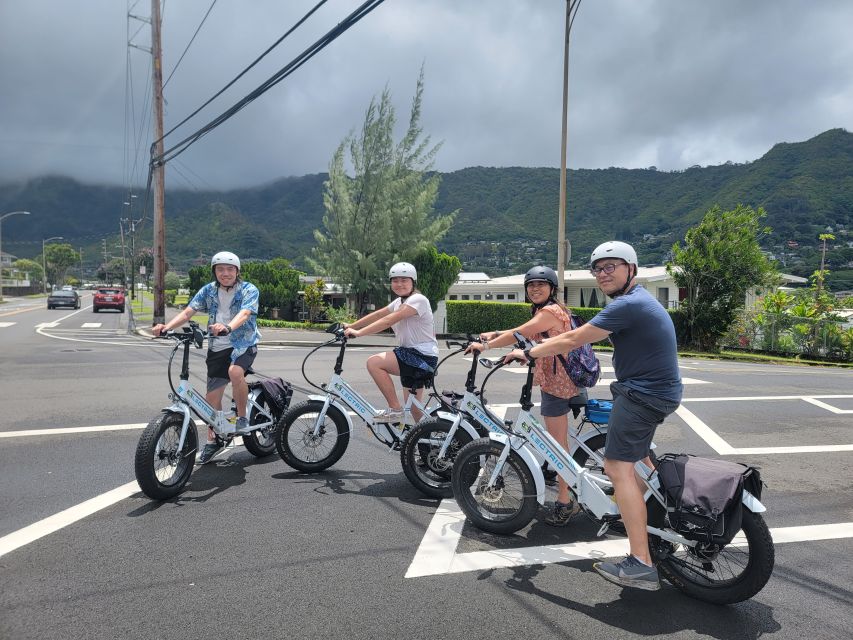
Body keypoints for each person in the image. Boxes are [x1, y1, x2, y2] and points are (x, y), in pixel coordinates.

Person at [506, 241, 682, 591]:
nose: (603, 274)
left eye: (611, 267)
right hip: (653, 392)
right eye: (597, 269)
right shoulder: (636, 301)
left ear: (631, 268)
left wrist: (529, 352)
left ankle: (641, 564)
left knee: (618, 467)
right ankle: (658, 515)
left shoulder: (629, 305)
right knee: (641, 460)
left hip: (643, 394)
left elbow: (572, 338)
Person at [466, 265, 583, 526]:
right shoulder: (546, 311)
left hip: (558, 385)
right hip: (558, 382)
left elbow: (521, 333)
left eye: (541, 284)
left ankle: (565, 501)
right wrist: (496, 336)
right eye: (531, 285)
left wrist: (485, 345)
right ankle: (561, 486)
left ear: (552, 289)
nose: (535, 288)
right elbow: (526, 333)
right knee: (557, 441)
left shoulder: (551, 311)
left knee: (557, 447)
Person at [152, 251, 261, 464]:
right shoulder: (208, 291)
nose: (225, 273)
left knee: (235, 371)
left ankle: (241, 417)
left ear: (237, 271)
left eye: (230, 269)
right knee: (211, 401)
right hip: (217, 346)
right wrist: (167, 327)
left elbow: (246, 313)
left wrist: (228, 327)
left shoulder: (249, 289)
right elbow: (188, 312)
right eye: (220, 269)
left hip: (243, 344)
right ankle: (215, 438)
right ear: (214, 271)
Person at [343, 262, 438, 423]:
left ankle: (395, 410)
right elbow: (379, 315)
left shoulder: (418, 300)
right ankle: (425, 444)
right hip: (413, 356)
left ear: (413, 281)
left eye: (404, 280)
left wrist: (358, 333)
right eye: (395, 280)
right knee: (415, 410)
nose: (399, 284)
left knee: (374, 363)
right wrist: (351, 326)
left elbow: (388, 320)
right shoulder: (399, 302)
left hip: (420, 357)